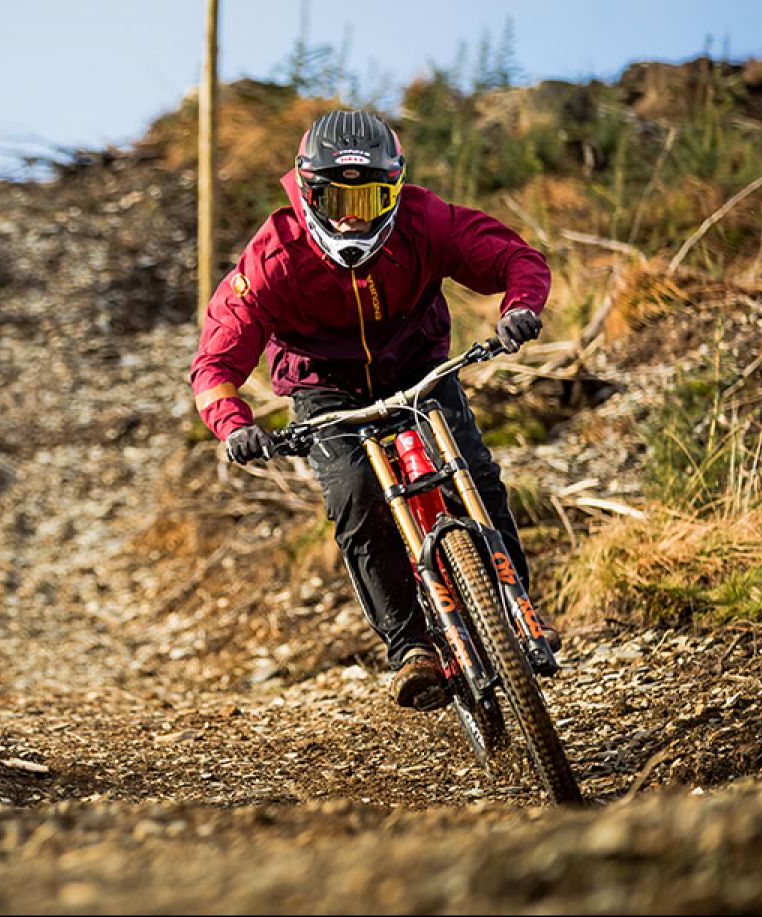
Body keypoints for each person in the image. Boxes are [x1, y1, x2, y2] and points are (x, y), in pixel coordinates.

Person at [190, 108, 558, 712]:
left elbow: (515, 258)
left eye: (371, 199)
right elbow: (216, 361)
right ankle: (411, 647)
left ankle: (517, 610)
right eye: (337, 199)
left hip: (418, 370)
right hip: (325, 390)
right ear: (309, 190)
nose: (351, 217)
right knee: (357, 496)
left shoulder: (425, 220)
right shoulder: (273, 257)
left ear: (397, 189)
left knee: (477, 474)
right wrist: (234, 425)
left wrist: (519, 306)